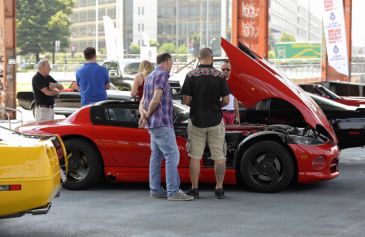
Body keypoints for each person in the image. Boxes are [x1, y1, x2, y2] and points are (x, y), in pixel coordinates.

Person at [139, 53, 193, 201]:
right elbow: (156, 99)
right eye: (172, 62)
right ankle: (173, 191)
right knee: (172, 154)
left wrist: (144, 116)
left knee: (156, 156)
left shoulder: (149, 76)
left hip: (153, 124)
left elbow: (143, 101)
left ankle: (155, 189)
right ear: (168, 61)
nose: (172, 65)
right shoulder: (162, 75)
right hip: (162, 122)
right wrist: (148, 114)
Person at [181, 48, 230, 199]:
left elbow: (186, 100)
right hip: (215, 121)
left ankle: (195, 189)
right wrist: (215, 107)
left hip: (196, 121)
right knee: (219, 156)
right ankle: (219, 188)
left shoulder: (190, 75)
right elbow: (226, 100)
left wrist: (197, 107)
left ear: (198, 58)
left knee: (195, 156)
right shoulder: (219, 75)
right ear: (212, 58)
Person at [221, 60, 240, 125]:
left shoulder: (234, 83)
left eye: (227, 69)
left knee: (231, 132)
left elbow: (235, 100)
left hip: (231, 113)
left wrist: (238, 116)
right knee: (223, 132)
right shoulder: (218, 82)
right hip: (221, 112)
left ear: (231, 70)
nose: (225, 71)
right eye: (223, 69)